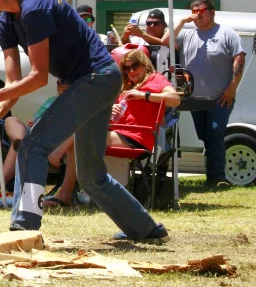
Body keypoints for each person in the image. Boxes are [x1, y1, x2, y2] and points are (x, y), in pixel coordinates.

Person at [0, 0, 168, 243]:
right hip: (90, 82)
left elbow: (37, 77)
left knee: (33, 145)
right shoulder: (5, 24)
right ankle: (146, 230)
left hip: (97, 77)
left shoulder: (35, 9)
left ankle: (24, 229)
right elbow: (13, 84)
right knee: (91, 176)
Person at [44, 49, 180, 207]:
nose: (131, 71)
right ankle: (67, 193)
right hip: (118, 131)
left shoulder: (154, 79)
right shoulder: (128, 86)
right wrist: (111, 110)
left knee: (81, 133)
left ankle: (54, 158)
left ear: (145, 64)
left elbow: (175, 99)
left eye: (134, 66)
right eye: (126, 68)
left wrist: (145, 96)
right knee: (80, 134)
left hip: (136, 137)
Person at [163, 0, 246, 188]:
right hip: (194, 97)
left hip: (220, 97)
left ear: (212, 12)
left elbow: (239, 58)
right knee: (205, 135)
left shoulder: (227, 33)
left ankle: (218, 177)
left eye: (201, 10)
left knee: (216, 131)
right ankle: (211, 175)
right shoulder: (187, 34)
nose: (197, 14)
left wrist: (232, 89)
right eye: (194, 11)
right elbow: (166, 42)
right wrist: (183, 21)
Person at [0, 80, 67, 189]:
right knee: (11, 119)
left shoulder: (74, 106)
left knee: (24, 142)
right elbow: (35, 118)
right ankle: (21, 141)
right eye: (60, 82)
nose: (63, 85)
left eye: (68, 82)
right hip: (33, 133)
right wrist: (33, 121)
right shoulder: (51, 101)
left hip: (51, 141)